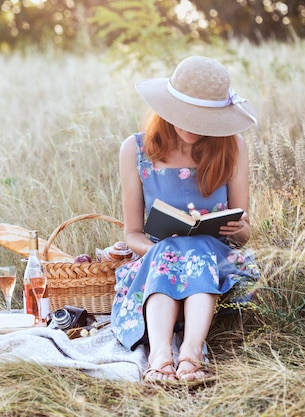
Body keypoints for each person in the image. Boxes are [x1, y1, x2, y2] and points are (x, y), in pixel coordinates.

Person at [111, 56, 261, 382]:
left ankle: (192, 354)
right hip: (157, 260)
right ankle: (160, 356)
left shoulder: (231, 146)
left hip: (216, 259)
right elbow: (133, 234)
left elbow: (243, 234)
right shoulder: (135, 150)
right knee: (172, 249)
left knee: (199, 246)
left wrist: (239, 229)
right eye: (186, 116)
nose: (192, 126)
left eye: (204, 119)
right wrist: (165, 253)